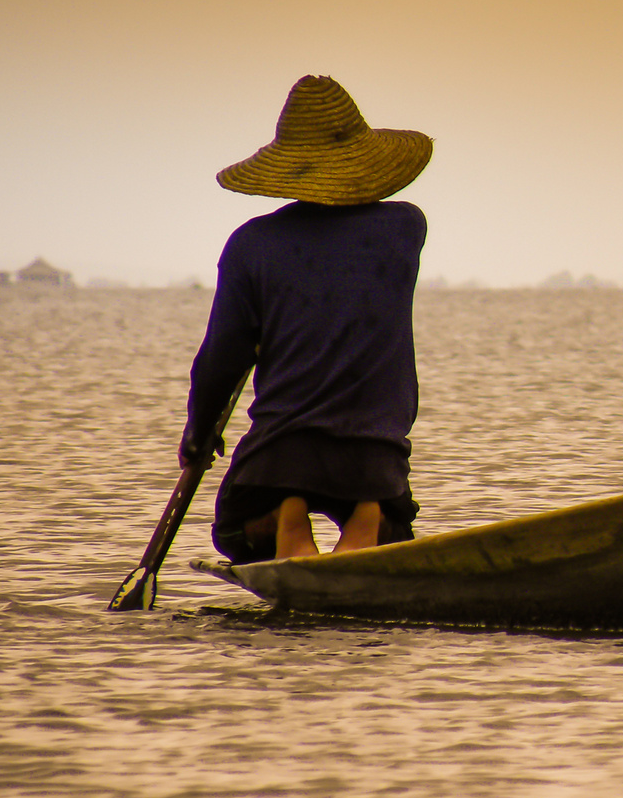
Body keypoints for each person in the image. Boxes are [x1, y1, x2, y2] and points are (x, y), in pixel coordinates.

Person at [180, 75, 433, 562]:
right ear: (363, 162)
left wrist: (199, 430)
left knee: (233, 532)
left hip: (278, 454)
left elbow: (222, 357)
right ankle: (368, 519)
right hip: (376, 455)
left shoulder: (251, 244)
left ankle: (284, 517)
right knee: (388, 526)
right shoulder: (406, 227)